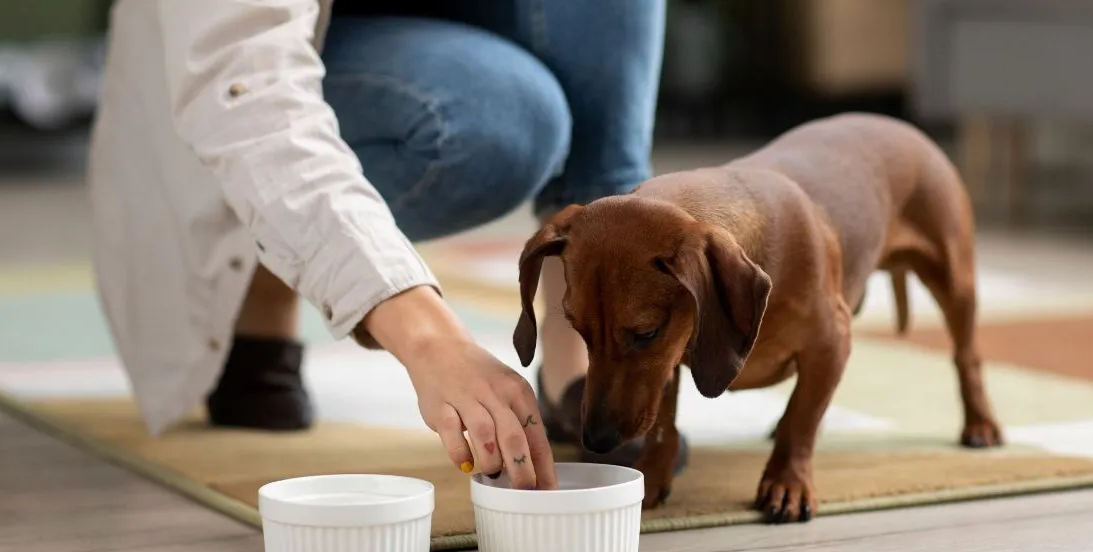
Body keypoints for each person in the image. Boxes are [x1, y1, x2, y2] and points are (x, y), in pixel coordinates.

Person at [87, 0, 687, 491]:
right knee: (501, 121)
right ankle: (261, 277)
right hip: (268, 69)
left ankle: (574, 352)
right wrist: (429, 338)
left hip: (449, 32)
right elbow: (245, 89)